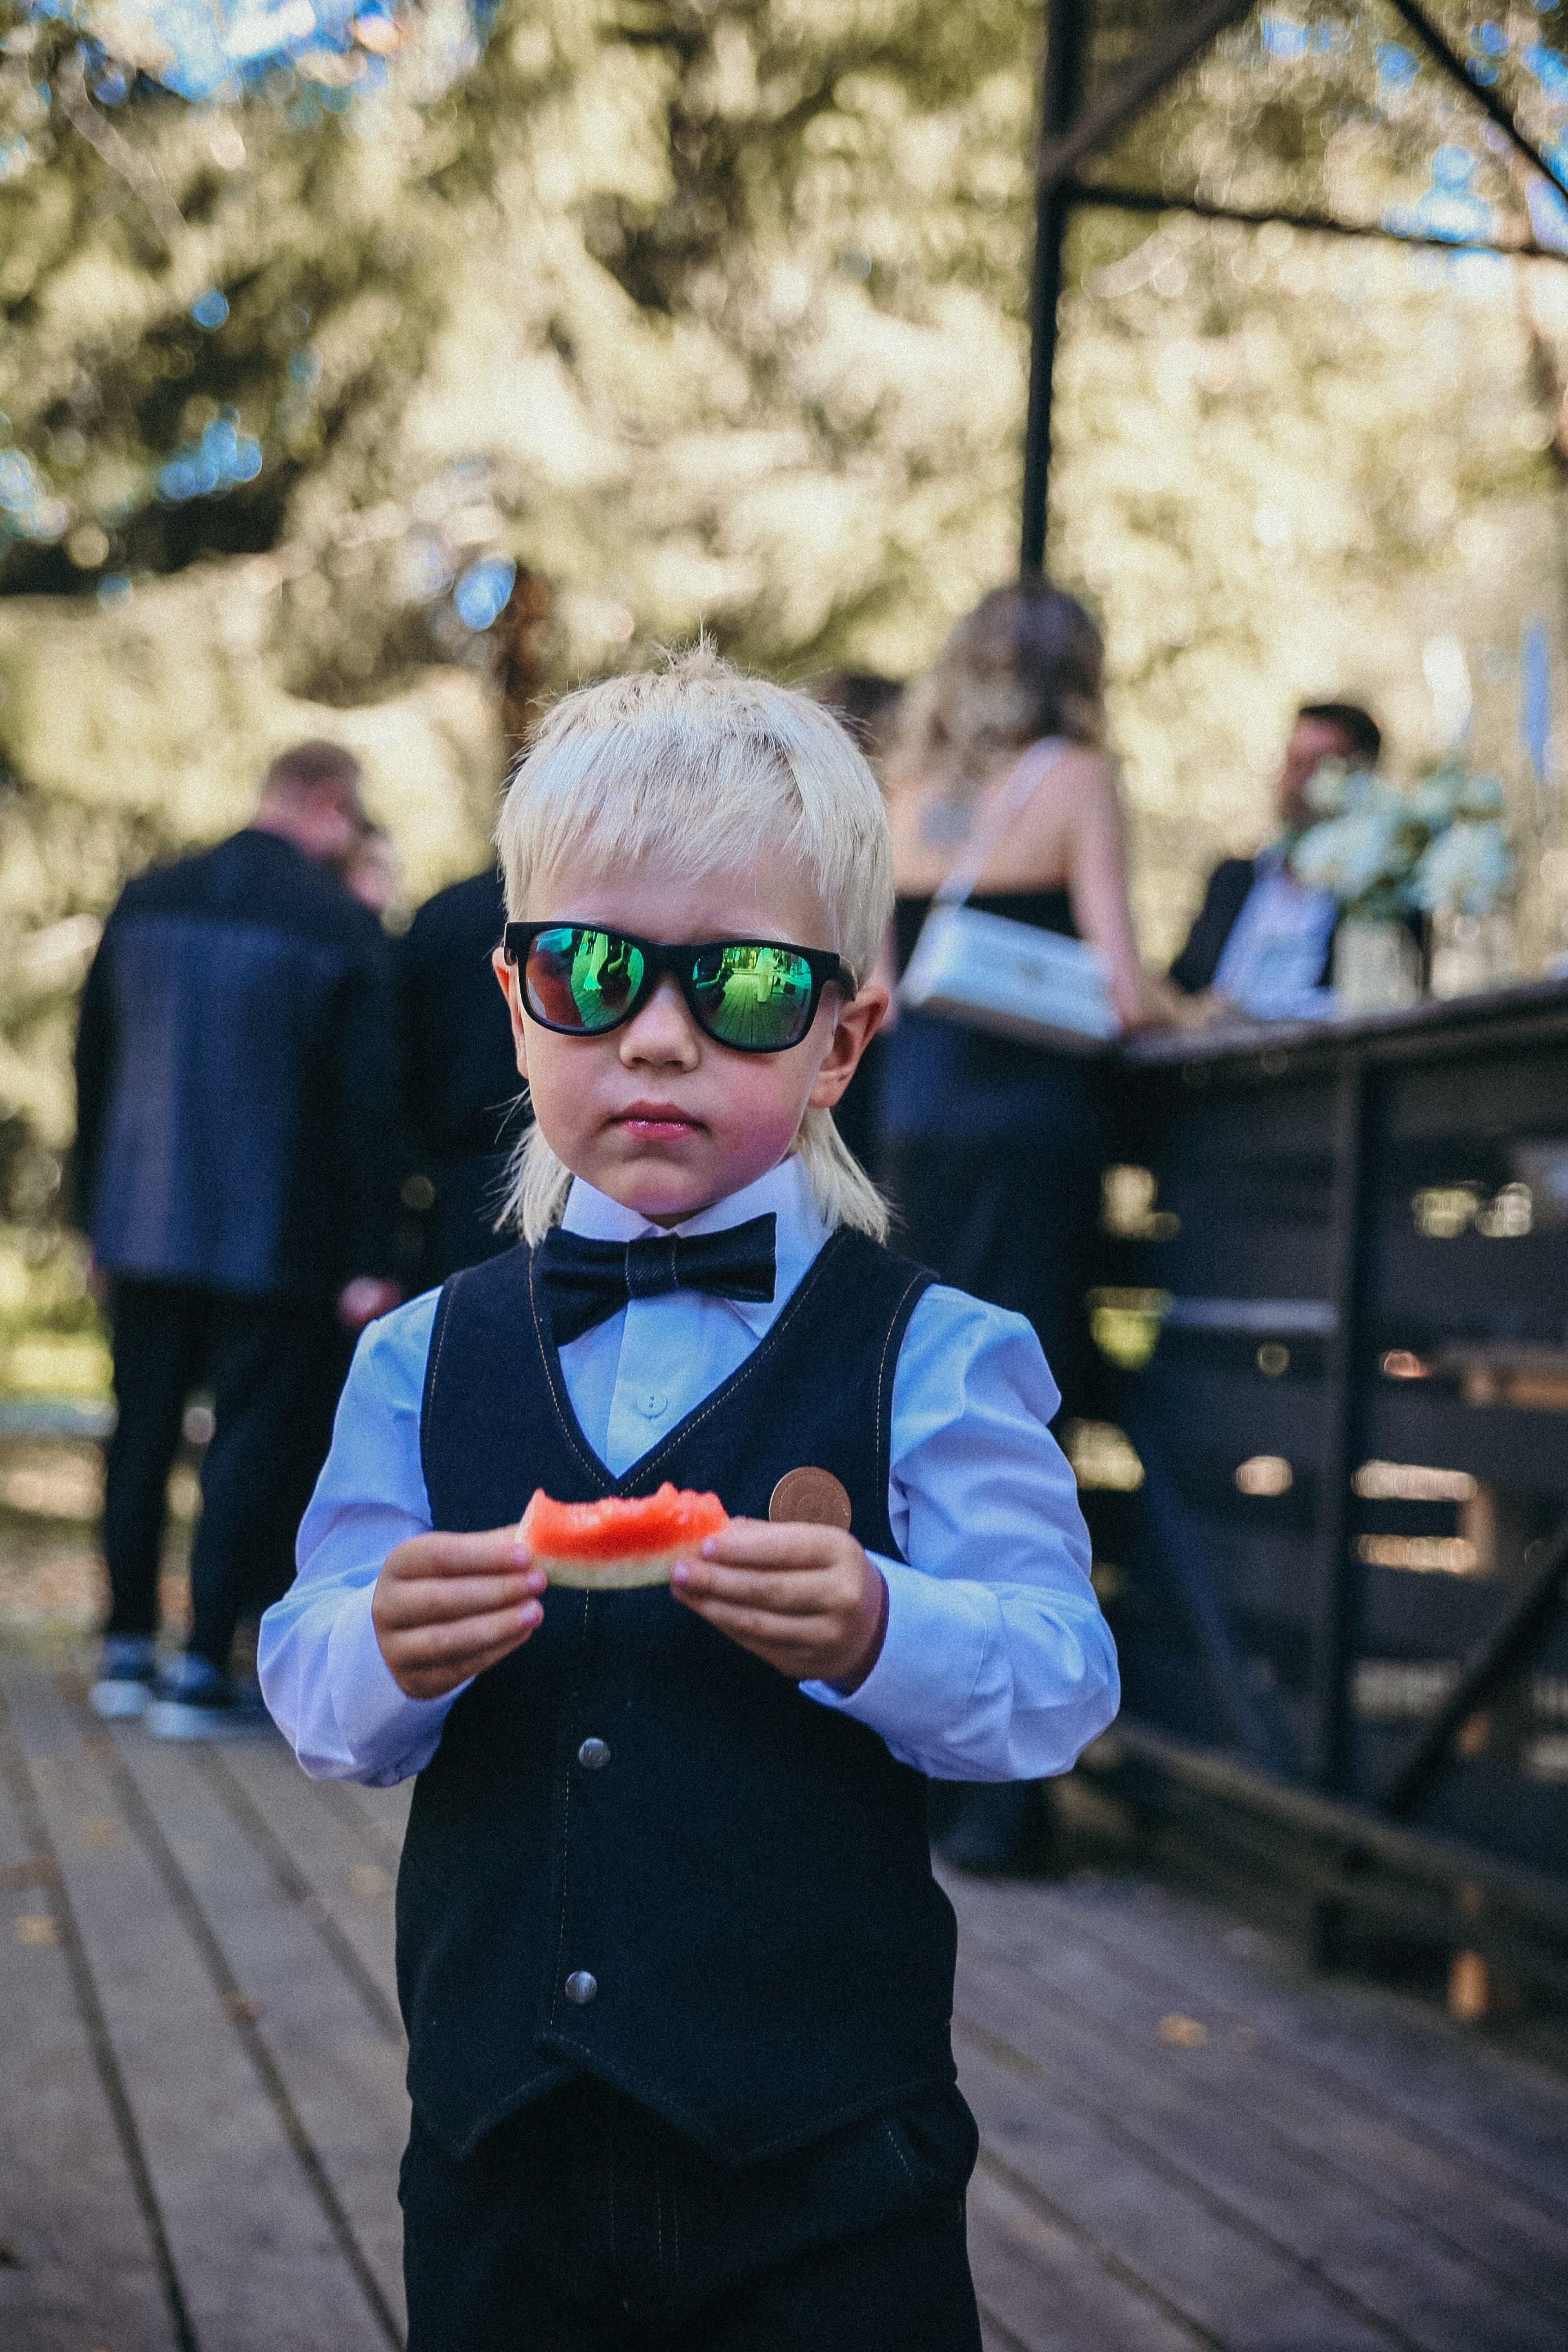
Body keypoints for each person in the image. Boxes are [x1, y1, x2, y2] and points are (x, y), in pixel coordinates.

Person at [258, 649, 1117, 2352]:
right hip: (497, 2164)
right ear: (516, 1000)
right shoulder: (419, 1363)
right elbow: (315, 1694)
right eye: (589, 970)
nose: (656, 1035)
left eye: (735, 985)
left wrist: (885, 1625)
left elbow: (1059, 1686)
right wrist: (383, 1645)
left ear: (840, 1038)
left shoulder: (943, 1355)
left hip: (830, 2179)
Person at [879, 576, 1162, 1876]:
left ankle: (920, 1773)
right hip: (1028, 1141)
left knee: (918, 1416)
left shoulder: (908, 791)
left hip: (914, 1133)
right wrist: (1197, 1012)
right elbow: (1116, 982)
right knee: (1016, 1431)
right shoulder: (1073, 779)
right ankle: (1006, 1797)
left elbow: (872, 986)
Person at [74, 740, 402, 1735]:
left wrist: (91, 1213)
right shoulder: (339, 926)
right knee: (247, 1448)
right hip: (277, 1239)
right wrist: (370, 1251)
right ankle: (202, 1664)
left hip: (141, 1220)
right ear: (331, 804)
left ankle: (124, 1642)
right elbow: (365, 1108)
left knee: (139, 1432)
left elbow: (93, 1063)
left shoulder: (147, 898)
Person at [1168, 700, 1383, 1017]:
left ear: (1361, 779)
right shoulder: (1233, 880)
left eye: (1319, 765)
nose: (1298, 780)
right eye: (1293, 762)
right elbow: (1181, 983)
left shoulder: (1377, 891)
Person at [397, 865, 525, 1284]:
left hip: (458, 1183)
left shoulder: (442, 915)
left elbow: (399, 1066)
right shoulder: (588, 918)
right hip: (535, 1168)